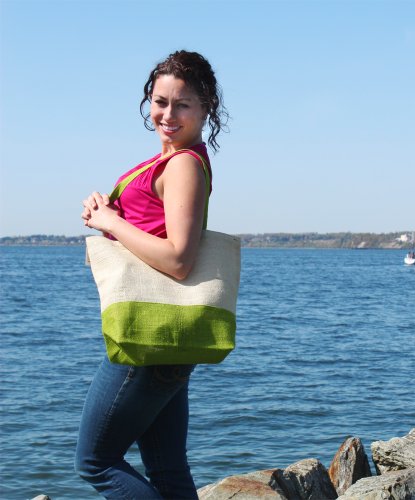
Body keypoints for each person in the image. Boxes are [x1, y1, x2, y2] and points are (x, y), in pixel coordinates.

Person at [75, 50, 227, 499]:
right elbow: (149, 232)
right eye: (160, 102)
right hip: (168, 339)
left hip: (147, 337)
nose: (168, 114)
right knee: (167, 467)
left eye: (183, 104)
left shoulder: (183, 164)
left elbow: (179, 258)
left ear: (206, 108)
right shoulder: (170, 161)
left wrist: (111, 222)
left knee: (96, 461)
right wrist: (107, 212)